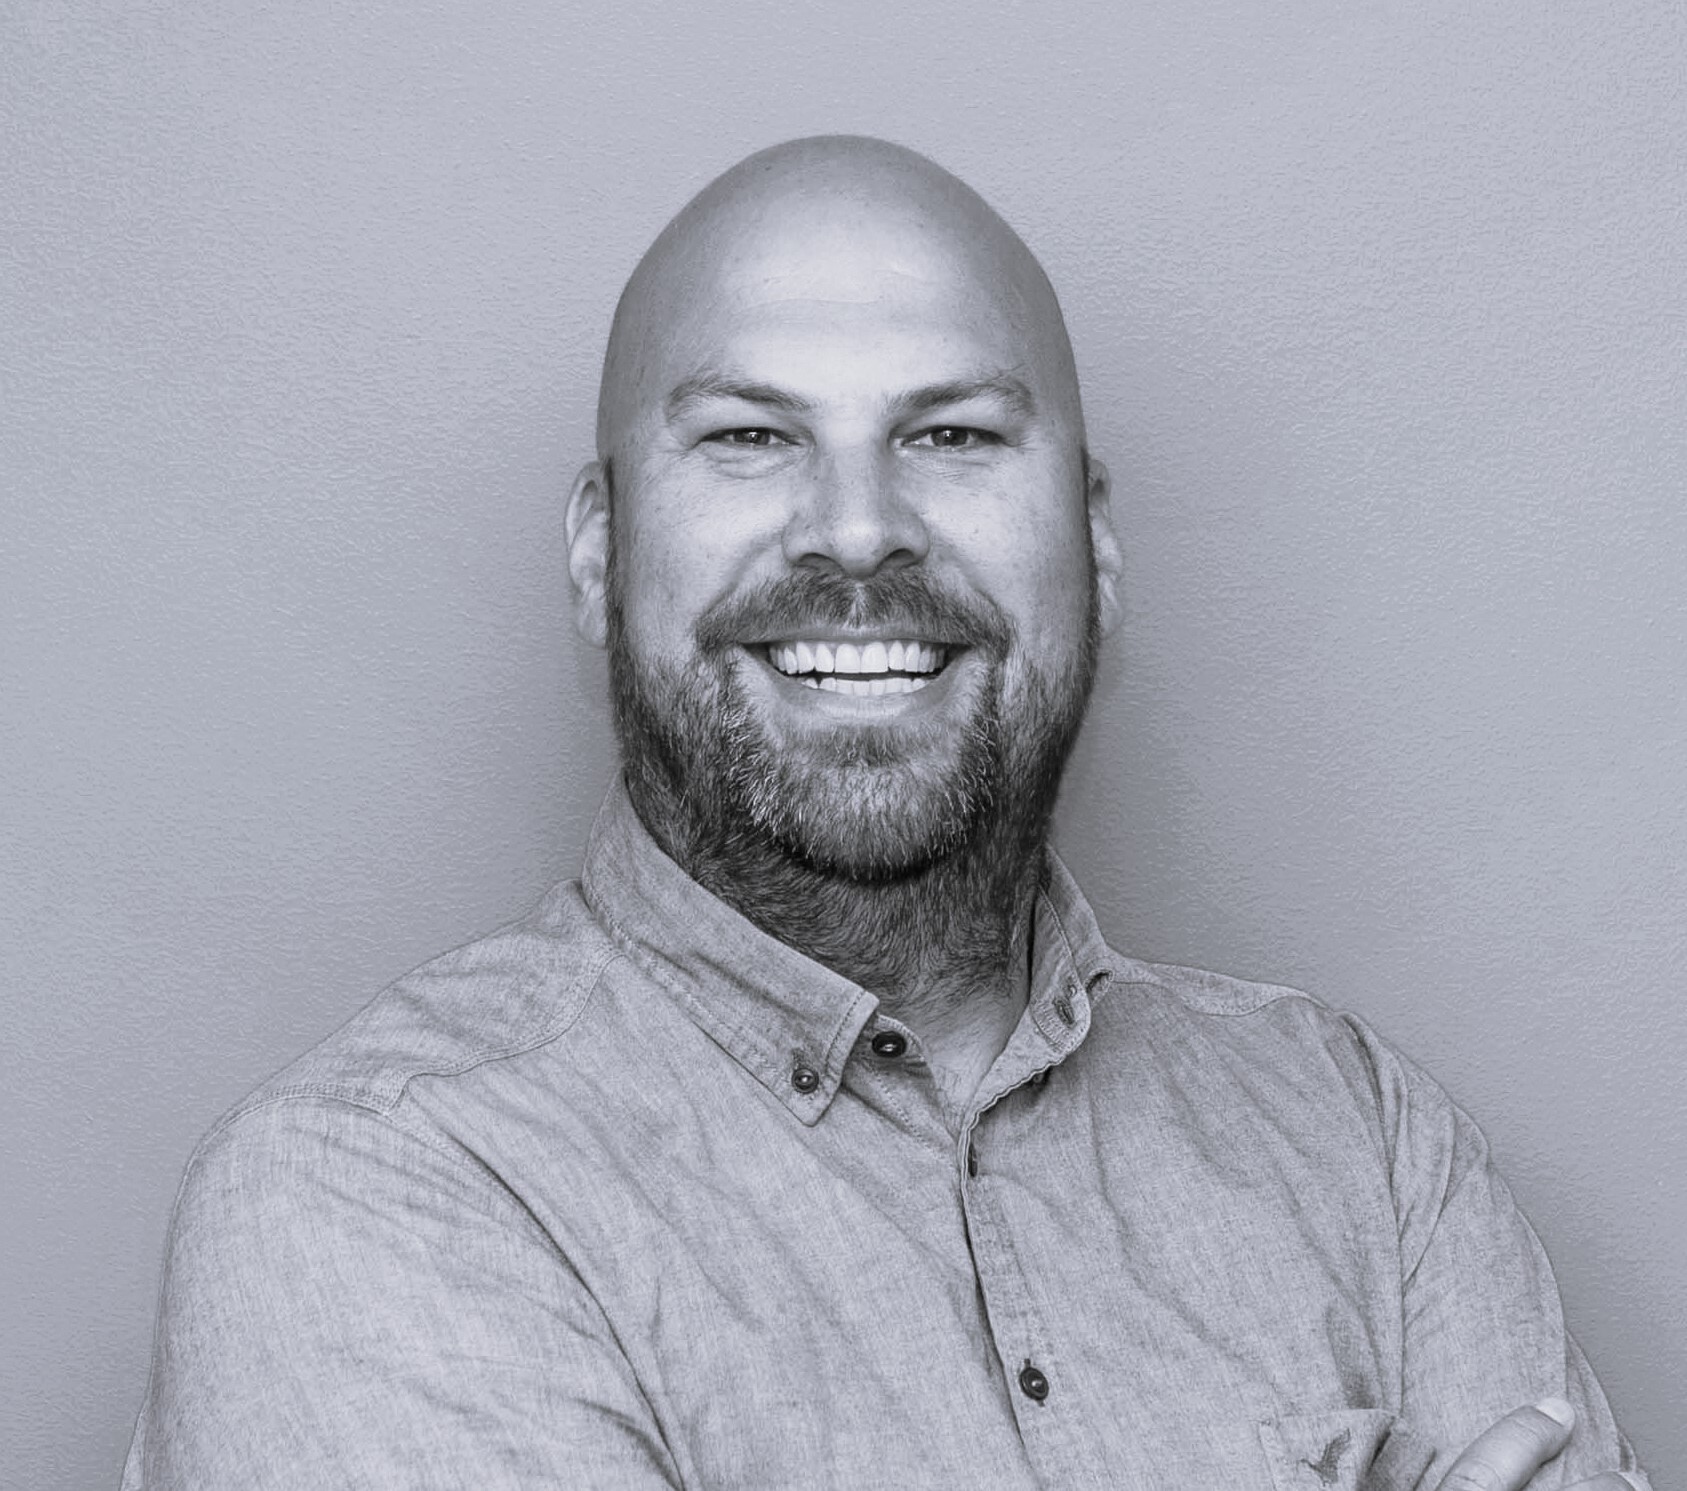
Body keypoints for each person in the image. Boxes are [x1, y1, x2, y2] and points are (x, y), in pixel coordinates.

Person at [122, 136, 1650, 1490]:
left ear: (1094, 543)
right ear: (599, 549)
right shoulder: (374, 1195)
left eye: (956, 436)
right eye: (747, 435)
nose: (858, 527)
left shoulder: (1364, 1144)